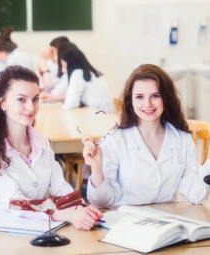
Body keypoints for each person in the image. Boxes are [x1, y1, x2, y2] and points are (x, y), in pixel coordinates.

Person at [0, 65, 102, 230]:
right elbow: (17, 204)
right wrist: (67, 214)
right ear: (3, 103)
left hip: (35, 229)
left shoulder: (42, 144)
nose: (31, 107)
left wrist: (82, 209)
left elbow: (61, 189)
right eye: (21, 99)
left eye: (35, 99)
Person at [82, 64, 210, 208]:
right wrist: (97, 168)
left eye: (155, 96)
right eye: (139, 97)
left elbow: (196, 194)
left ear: (166, 98)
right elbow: (101, 202)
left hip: (167, 221)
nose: (147, 104)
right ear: (131, 101)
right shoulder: (115, 139)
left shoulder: (182, 139)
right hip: (125, 221)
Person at [42, 47, 115, 113]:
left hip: (101, 117)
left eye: (65, 67)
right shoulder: (90, 73)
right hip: (106, 115)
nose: (63, 70)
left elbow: (70, 104)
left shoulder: (77, 73)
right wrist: (56, 98)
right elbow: (78, 99)